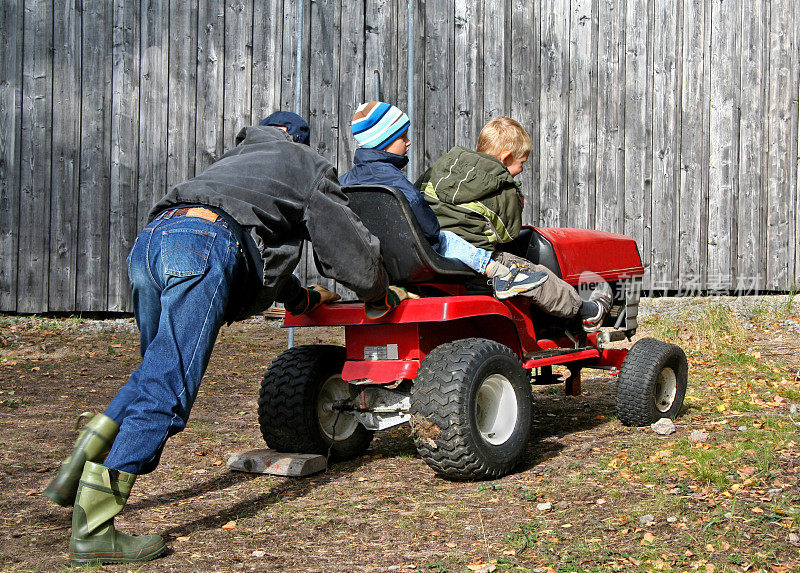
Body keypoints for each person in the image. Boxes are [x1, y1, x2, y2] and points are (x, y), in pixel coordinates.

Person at [43, 114, 410, 566]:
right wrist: (378, 287)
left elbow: (254, 244)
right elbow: (344, 248)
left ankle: (73, 474)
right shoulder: (304, 163)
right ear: (297, 140)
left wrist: (301, 298)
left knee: (153, 370)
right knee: (167, 387)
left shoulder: (236, 160)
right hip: (202, 245)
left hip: (152, 241)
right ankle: (95, 527)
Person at [417, 116, 612, 331]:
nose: (522, 169)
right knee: (535, 276)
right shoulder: (503, 187)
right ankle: (588, 311)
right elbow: (507, 234)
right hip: (475, 259)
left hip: (430, 252)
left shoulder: (440, 168)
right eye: (522, 163)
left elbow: (416, 199)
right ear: (507, 157)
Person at [339, 101, 547, 299]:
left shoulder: (344, 182)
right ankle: (501, 274)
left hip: (378, 259)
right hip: (417, 256)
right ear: (384, 143)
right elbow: (428, 226)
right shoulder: (395, 181)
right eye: (403, 137)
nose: (409, 141)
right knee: (445, 238)